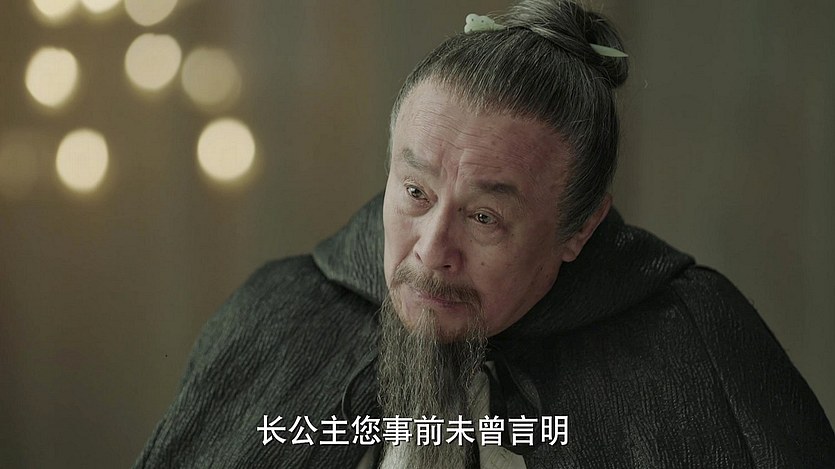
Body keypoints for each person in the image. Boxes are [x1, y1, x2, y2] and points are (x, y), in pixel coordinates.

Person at [134, 1, 835, 467]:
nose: (431, 252)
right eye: (415, 193)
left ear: (580, 227)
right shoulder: (279, 313)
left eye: (484, 218)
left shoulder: (693, 338)